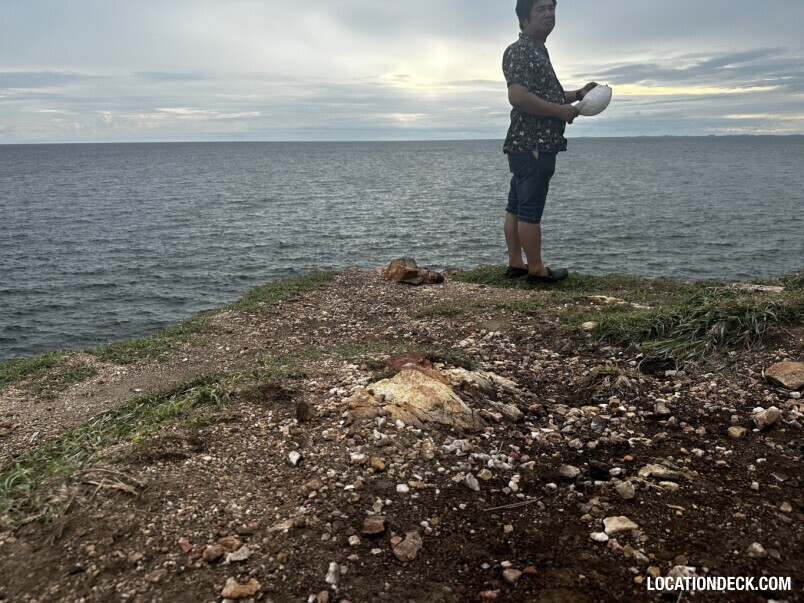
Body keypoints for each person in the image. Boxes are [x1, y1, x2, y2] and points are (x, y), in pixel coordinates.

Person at [502, 0, 597, 284]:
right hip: (533, 142)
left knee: (516, 206)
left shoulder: (536, 50)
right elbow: (518, 96)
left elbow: (546, 92)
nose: (548, 14)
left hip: (527, 143)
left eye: (551, 8)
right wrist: (560, 111)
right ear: (524, 19)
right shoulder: (520, 51)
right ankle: (537, 271)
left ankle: (516, 264)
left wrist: (578, 94)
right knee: (529, 209)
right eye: (540, 9)